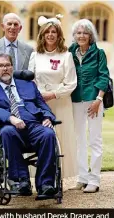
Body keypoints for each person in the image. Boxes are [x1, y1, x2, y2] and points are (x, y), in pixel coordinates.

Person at [0, 53, 57, 197]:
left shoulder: (28, 84)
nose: (5, 69)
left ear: (12, 67)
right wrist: (11, 118)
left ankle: (45, 184)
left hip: (34, 124)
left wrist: (48, 117)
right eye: (0, 66)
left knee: (48, 133)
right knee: (6, 132)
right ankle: (21, 180)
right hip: (11, 127)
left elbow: (41, 104)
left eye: (7, 65)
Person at [28, 15, 77, 180]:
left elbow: (71, 83)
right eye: (47, 31)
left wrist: (53, 94)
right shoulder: (35, 55)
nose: (50, 34)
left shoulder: (66, 55)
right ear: (42, 35)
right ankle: (40, 176)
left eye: (53, 31)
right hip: (40, 103)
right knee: (41, 136)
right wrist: (38, 96)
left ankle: (60, 176)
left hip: (60, 102)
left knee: (61, 137)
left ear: (58, 34)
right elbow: (30, 80)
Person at [69, 19, 109, 193]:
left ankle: (95, 179)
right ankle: (82, 177)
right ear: (74, 35)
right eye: (78, 33)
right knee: (79, 140)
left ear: (91, 35)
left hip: (94, 101)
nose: (81, 36)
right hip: (76, 99)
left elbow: (103, 77)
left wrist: (98, 100)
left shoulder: (99, 53)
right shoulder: (70, 51)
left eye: (85, 33)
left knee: (94, 140)